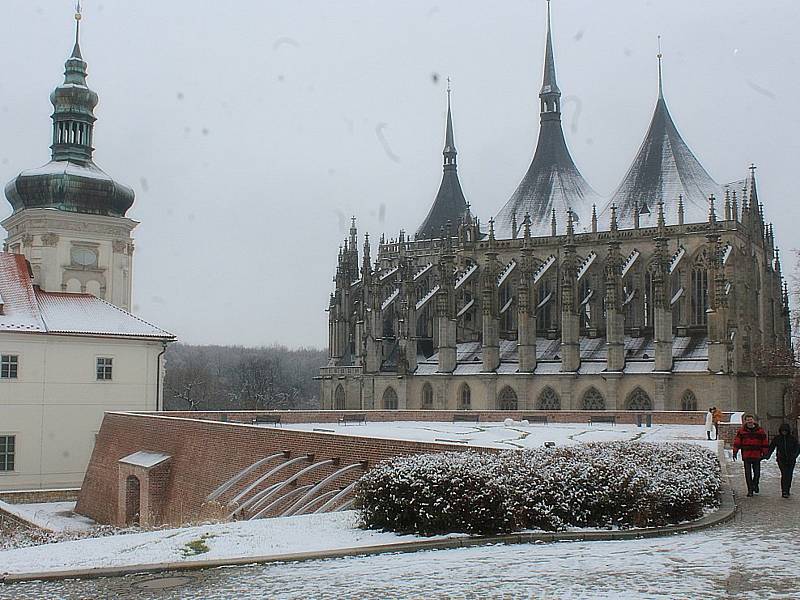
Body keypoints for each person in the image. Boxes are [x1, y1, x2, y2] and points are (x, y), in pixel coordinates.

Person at [732, 414, 769, 497]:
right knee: (747, 474)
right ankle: (750, 490)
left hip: (757, 455)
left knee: (757, 473)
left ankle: (755, 484)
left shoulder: (760, 431)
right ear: (745, 421)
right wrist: (735, 451)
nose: (749, 421)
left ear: (754, 420)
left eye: (751, 419)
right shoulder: (742, 431)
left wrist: (765, 452)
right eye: (748, 420)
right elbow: (737, 442)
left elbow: (764, 441)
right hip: (746, 455)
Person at [766, 423, 800, 498]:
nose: (784, 432)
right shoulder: (777, 438)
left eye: (785, 431)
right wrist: (767, 456)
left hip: (791, 459)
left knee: (789, 474)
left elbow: (797, 448)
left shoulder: (792, 438)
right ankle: (784, 491)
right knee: (784, 474)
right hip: (781, 459)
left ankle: (788, 489)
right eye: (782, 431)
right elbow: (771, 447)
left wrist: (794, 456)